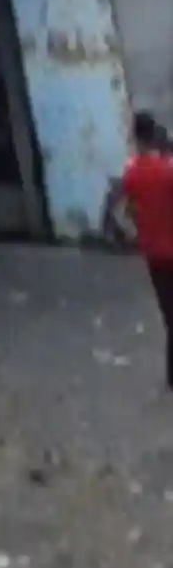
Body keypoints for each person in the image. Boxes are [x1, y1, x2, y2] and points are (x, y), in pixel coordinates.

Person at [103, 110, 173, 391]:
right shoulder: (167, 171)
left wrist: (130, 234)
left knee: (169, 313)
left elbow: (116, 209)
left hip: (153, 253)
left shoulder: (131, 173)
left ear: (135, 138)